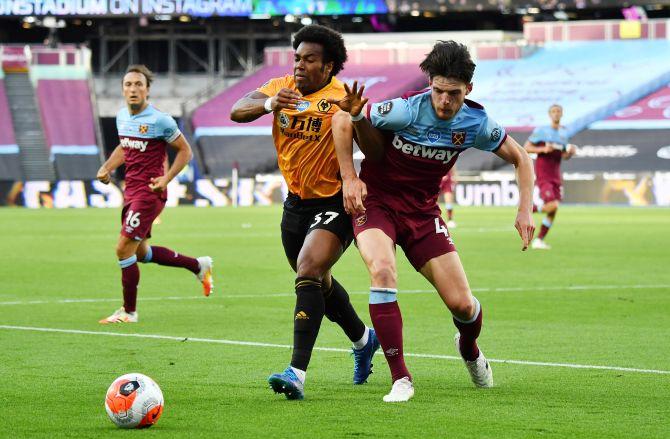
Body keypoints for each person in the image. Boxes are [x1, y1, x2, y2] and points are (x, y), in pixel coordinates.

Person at [330, 40, 535, 402]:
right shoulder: (404, 110)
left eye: (453, 94)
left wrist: (524, 209)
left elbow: (522, 158)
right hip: (377, 203)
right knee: (382, 270)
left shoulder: (476, 122)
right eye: (438, 91)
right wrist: (349, 176)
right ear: (430, 85)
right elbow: (344, 118)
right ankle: (401, 379)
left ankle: (469, 348)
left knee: (463, 306)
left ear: (468, 90)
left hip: (423, 214)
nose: (444, 101)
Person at [230, 25, 379, 400]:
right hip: (295, 204)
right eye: (297, 58)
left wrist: (359, 120)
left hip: (333, 203)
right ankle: (363, 340)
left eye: (309, 59)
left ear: (328, 66)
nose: (299, 65)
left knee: (309, 269)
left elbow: (375, 150)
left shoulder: (342, 98)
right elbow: (237, 110)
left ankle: (296, 372)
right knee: (318, 283)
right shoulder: (281, 88)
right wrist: (269, 104)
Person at [97, 64, 213, 324]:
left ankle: (129, 312)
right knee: (139, 253)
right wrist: (106, 167)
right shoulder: (121, 117)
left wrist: (167, 178)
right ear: (123, 90)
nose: (133, 89)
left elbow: (185, 151)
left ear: (147, 90)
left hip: (150, 193)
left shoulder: (160, 120)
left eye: (139, 84)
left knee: (123, 248)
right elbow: (124, 147)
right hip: (131, 192)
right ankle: (197, 265)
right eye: (128, 84)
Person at [524, 104, 577, 250]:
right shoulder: (541, 131)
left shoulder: (564, 133)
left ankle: (539, 240)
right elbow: (526, 147)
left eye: (558, 111)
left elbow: (564, 156)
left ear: (562, 114)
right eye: (553, 111)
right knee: (553, 205)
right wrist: (542, 149)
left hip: (556, 175)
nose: (556, 114)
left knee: (554, 209)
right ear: (549, 114)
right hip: (544, 174)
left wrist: (570, 152)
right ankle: (528, 209)